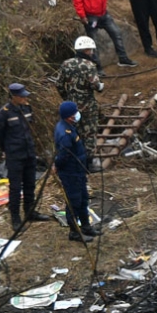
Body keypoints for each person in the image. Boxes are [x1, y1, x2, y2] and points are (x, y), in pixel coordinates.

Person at [0, 84, 48, 231]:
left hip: (29, 152)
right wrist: (5, 149)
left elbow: (31, 127)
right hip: (15, 155)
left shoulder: (27, 108)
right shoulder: (4, 113)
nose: (25, 98)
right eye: (22, 96)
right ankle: (16, 218)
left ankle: (30, 212)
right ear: (14, 97)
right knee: (16, 188)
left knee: (30, 184)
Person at [54, 102, 100, 243]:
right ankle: (74, 232)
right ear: (69, 116)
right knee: (74, 201)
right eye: (75, 112)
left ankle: (86, 226)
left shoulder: (69, 127)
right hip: (70, 173)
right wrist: (57, 167)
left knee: (83, 199)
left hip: (78, 171)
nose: (77, 114)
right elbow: (63, 156)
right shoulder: (65, 133)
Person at [56, 36, 104, 150]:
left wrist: (66, 98)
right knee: (89, 132)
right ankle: (89, 160)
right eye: (90, 50)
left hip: (72, 105)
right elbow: (95, 85)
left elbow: (58, 84)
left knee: (74, 130)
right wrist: (101, 86)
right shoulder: (89, 65)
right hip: (88, 105)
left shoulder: (66, 64)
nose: (92, 52)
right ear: (86, 50)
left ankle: (76, 156)